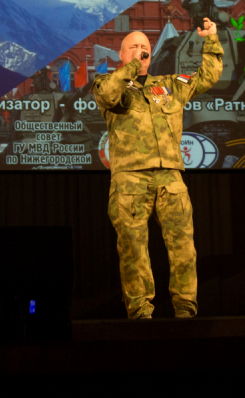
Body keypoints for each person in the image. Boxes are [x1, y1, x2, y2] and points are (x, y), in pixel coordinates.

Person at [91, 17, 223, 319]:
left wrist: (211, 39)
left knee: (183, 248)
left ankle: (186, 311)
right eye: (133, 47)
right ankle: (140, 315)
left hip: (171, 178)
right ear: (121, 55)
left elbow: (207, 76)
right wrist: (130, 69)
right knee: (134, 250)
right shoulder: (108, 84)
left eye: (145, 47)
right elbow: (109, 94)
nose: (141, 51)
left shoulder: (169, 85)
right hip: (130, 180)